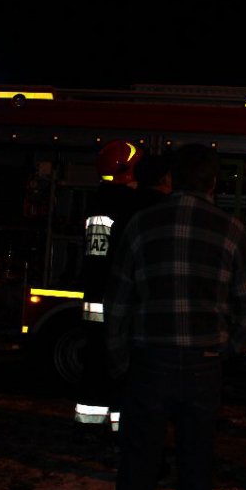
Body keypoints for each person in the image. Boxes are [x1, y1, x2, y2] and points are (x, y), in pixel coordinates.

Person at [105, 142, 246, 490]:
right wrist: (227, 349)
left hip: (149, 361)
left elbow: (118, 302)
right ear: (213, 182)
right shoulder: (232, 230)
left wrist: (121, 359)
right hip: (203, 364)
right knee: (196, 465)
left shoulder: (140, 224)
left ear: (171, 178)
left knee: (138, 463)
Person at [75, 139, 143, 438]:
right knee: (121, 369)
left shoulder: (98, 201)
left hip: (94, 300)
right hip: (117, 301)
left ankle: (88, 427)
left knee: (94, 366)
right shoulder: (127, 205)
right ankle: (120, 430)